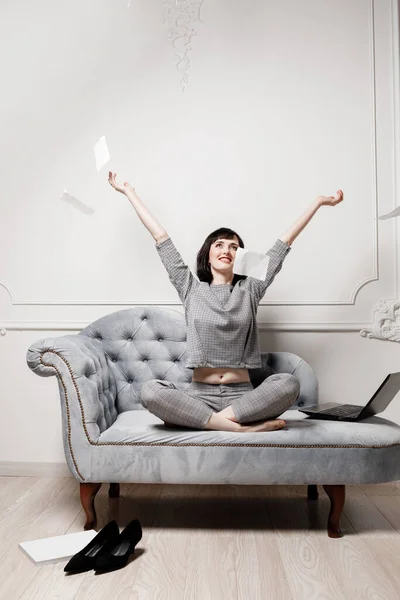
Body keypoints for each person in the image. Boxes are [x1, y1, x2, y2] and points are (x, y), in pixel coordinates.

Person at [108, 171, 344, 433]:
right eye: (219, 245)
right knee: (151, 391)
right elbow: (161, 238)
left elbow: (282, 244)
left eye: (233, 247)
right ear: (207, 255)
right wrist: (130, 193)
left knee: (289, 383)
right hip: (199, 396)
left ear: (239, 256)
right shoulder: (190, 289)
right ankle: (239, 428)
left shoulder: (251, 289)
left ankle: (213, 423)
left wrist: (318, 203)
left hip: (242, 397)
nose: (226, 250)